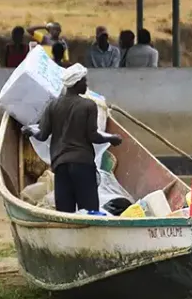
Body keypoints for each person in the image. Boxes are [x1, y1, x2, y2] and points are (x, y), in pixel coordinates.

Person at [23, 64, 121, 213]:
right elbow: (93, 136)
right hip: (83, 164)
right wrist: (112, 138)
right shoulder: (88, 105)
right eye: (84, 81)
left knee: (64, 212)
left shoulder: (53, 105)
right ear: (76, 83)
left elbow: (42, 135)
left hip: (61, 166)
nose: (86, 84)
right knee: (89, 211)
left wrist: (30, 130)